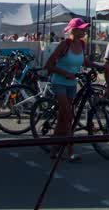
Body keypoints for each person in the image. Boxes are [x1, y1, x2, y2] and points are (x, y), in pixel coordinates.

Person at [45, 17, 90, 163]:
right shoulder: (64, 45)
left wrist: (102, 67)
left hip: (71, 84)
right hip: (59, 82)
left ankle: (53, 149)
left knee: (63, 118)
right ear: (73, 30)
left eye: (85, 28)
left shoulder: (82, 44)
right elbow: (49, 65)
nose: (84, 31)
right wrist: (65, 73)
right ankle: (70, 151)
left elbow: (84, 61)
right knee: (69, 115)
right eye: (82, 28)